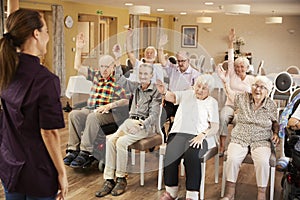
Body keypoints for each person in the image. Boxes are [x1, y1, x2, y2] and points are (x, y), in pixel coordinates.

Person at [0, 8, 68, 200]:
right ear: (36, 34)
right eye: (46, 31)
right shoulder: (45, 80)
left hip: (10, 166)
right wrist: (62, 173)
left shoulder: (5, 70)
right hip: (38, 172)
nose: (48, 36)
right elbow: (49, 132)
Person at [95, 63, 161, 197]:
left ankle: (121, 179)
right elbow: (120, 79)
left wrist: (141, 125)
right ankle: (108, 180)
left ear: (151, 75)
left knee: (121, 142)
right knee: (111, 140)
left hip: (143, 125)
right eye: (141, 73)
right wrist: (117, 61)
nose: (143, 76)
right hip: (129, 121)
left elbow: (154, 115)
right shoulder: (136, 87)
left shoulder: (155, 92)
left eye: (146, 74)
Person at [63, 33, 129, 168]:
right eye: (102, 66)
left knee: (93, 117)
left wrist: (110, 105)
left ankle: (85, 151)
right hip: (92, 109)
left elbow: (126, 100)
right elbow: (77, 66)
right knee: (74, 114)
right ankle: (72, 149)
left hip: (111, 113)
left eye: (107, 66)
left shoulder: (118, 80)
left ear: (113, 67)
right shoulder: (96, 76)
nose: (104, 69)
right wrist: (79, 48)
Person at [156, 75, 219, 200]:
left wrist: (203, 134)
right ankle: (171, 192)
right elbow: (173, 97)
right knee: (171, 154)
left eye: (204, 88)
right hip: (179, 132)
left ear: (209, 90)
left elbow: (215, 127)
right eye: (198, 86)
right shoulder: (187, 94)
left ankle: (192, 195)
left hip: (199, 136)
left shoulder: (212, 102)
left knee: (192, 156)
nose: (200, 90)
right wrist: (164, 91)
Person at [221, 76, 280, 200]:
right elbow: (230, 94)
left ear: (267, 91)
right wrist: (225, 81)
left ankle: (261, 194)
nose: (257, 89)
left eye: (262, 87)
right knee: (232, 158)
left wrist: (275, 133)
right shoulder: (243, 98)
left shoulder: (271, 105)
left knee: (263, 161)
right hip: (240, 136)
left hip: (261, 139)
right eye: (255, 85)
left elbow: (275, 122)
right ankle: (230, 193)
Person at [217, 28, 255, 156]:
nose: (239, 68)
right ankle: (222, 145)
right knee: (222, 116)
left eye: (242, 66)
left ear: (247, 68)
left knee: (239, 119)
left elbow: (254, 97)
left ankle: (235, 145)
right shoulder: (232, 74)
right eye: (237, 66)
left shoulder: (251, 80)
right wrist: (231, 42)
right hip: (230, 105)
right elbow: (231, 56)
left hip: (244, 108)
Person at [157, 34, 201, 134]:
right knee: (159, 117)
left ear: (188, 60)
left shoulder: (195, 74)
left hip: (183, 103)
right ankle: (161, 136)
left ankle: (173, 137)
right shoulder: (173, 69)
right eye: (179, 61)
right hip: (169, 101)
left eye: (183, 61)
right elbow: (163, 62)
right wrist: (160, 47)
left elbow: (196, 93)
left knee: (176, 124)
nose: (180, 63)